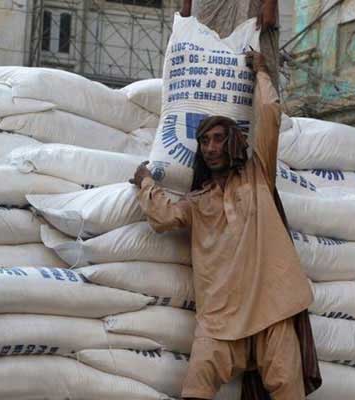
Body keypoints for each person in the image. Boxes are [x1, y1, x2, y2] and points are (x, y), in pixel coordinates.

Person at [130, 51, 320, 400]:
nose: (211, 147)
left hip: (271, 308)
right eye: (204, 141)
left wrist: (262, 71)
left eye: (218, 138)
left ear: (233, 140)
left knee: (288, 389)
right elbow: (164, 217)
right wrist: (145, 183)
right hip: (219, 318)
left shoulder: (258, 177)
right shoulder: (198, 201)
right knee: (196, 388)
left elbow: (269, 116)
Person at [180, 0, 281, 90]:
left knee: (257, 77)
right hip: (207, 10)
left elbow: (268, 18)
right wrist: (187, 6)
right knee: (200, 72)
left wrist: (270, 3)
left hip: (249, 9)